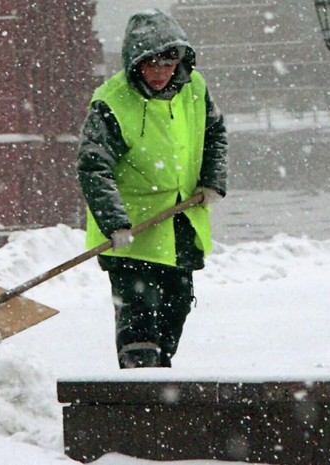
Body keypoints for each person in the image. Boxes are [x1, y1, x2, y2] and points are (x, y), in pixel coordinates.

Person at [76, 9, 228, 369]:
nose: (160, 74)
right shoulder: (111, 102)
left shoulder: (194, 89)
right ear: (136, 62)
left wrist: (212, 180)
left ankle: (159, 384)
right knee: (139, 328)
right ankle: (141, 390)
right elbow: (93, 166)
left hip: (180, 224)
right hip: (131, 234)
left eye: (168, 65)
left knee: (175, 313)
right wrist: (115, 223)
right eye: (152, 65)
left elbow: (214, 134)